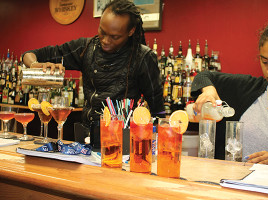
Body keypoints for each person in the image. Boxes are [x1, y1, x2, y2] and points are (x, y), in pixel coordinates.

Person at [22, 0, 165, 149]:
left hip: (123, 143)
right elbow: (28, 55)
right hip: (86, 140)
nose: (105, 40)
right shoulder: (86, 48)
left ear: (131, 31)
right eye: (102, 31)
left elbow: (158, 111)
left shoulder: (143, 57)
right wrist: (35, 64)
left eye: (114, 37)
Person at [191, 6, 268, 167]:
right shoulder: (247, 87)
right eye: (265, 62)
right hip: (224, 184)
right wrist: (209, 91)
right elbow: (204, 76)